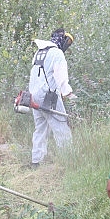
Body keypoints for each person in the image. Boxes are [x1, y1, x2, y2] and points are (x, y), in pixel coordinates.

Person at [28, 28, 77, 168]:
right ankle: (68, 160)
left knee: (40, 128)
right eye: (66, 41)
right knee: (61, 126)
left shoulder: (39, 52)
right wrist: (68, 93)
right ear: (61, 40)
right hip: (48, 96)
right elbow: (61, 77)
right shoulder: (57, 53)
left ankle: (36, 161)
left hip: (34, 95)